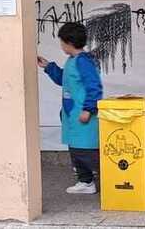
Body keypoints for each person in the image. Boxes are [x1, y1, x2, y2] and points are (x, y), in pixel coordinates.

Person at [37, 23, 103, 194]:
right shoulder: (72, 60)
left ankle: (101, 179)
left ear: (68, 42)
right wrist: (48, 67)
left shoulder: (83, 62)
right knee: (76, 148)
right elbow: (64, 80)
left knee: (86, 150)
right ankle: (85, 181)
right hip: (72, 115)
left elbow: (94, 86)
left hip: (82, 114)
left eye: (61, 42)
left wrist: (88, 109)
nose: (61, 45)